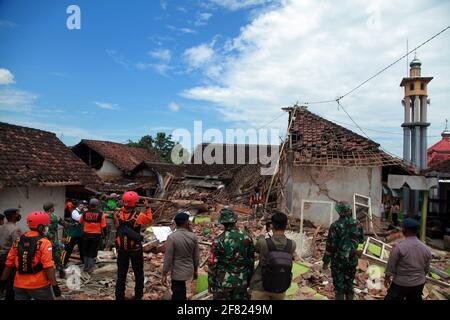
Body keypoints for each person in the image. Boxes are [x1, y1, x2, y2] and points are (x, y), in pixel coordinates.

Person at [0, 211, 62, 300]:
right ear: (40, 227)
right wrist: (55, 287)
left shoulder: (18, 240)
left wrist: (2, 281)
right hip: (39, 285)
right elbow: (48, 266)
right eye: (46, 226)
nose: (46, 228)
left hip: (19, 285)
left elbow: (9, 263)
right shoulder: (44, 242)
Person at [208, 208, 255, 300]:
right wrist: (248, 280)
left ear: (222, 222)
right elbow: (250, 262)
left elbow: (213, 264)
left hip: (222, 283)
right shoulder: (247, 238)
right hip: (241, 282)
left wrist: (211, 283)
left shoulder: (218, 240)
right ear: (235, 220)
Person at [114, 191, 153, 300]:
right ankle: (138, 296)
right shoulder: (139, 216)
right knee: (139, 274)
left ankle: (119, 296)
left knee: (121, 274)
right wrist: (148, 207)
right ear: (135, 202)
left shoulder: (116, 214)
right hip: (135, 249)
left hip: (121, 249)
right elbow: (149, 220)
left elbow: (118, 226)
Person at [250, 210, 297, 300]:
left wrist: (261, 235)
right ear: (286, 226)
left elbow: (255, 248)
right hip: (280, 286)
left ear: (271, 225)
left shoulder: (263, 242)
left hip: (261, 285)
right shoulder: (292, 245)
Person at [322, 201, 365, 300]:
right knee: (349, 285)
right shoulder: (358, 224)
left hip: (338, 261)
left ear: (339, 212)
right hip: (352, 259)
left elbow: (330, 246)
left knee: (339, 287)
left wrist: (325, 262)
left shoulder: (335, 226)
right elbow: (362, 240)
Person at [384, 218, 432, 301]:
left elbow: (391, 266)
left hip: (401, 284)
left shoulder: (399, 247)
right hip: (418, 284)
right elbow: (426, 269)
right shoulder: (426, 249)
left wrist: (387, 278)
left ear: (404, 230)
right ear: (416, 231)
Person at [162, 212, 199, 300]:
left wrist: (164, 273)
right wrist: (195, 271)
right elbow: (196, 257)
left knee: (178, 293)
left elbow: (168, 257)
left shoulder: (172, 237)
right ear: (187, 223)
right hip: (189, 270)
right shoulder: (193, 237)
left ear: (175, 223)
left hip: (177, 272)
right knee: (184, 292)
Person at [0, 208, 23, 300]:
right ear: (14, 216)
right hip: (9, 257)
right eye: (18, 214)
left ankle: (2, 292)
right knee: (11, 281)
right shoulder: (16, 229)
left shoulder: (2, 227)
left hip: (1, 256)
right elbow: (18, 246)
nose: (19, 216)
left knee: (3, 278)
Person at [79, 198, 107, 273]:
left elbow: (80, 221)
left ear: (89, 205)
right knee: (92, 251)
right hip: (96, 235)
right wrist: (105, 235)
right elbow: (104, 226)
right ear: (97, 205)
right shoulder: (101, 214)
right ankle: (90, 268)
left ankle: (85, 267)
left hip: (86, 234)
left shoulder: (85, 213)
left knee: (85, 250)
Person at [43, 202, 68, 279]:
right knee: (57, 256)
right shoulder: (54, 216)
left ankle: (44, 273)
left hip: (42, 240)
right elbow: (64, 223)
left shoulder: (41, 215)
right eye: (53, 207)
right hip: (52, 240)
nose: (54, 208)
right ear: (50, 208)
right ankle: (60, 272)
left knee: (44, 256)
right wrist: (72, 225)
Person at [62, 201, 85, 267]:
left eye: (83, 205)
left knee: (82, 249)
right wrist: (85, 214)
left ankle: (83, 262)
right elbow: (78, 218)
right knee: (67, 250)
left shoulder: (83, 212)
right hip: (73, 234)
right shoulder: (74, 211)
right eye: (81, 205)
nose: (82, 206)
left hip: (80, 234)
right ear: (77, 205)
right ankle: (63, 264)